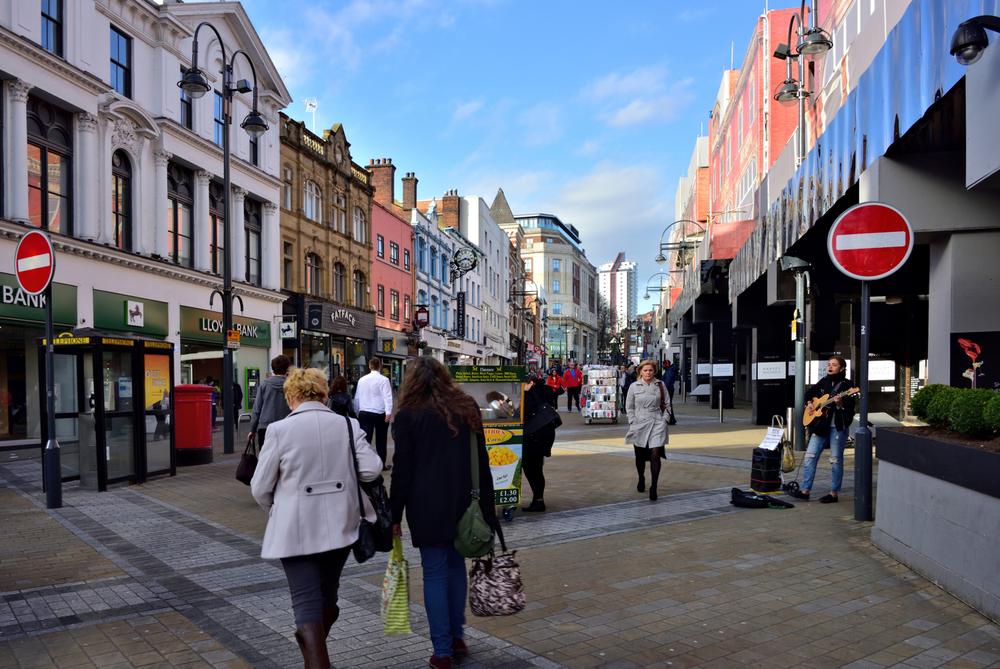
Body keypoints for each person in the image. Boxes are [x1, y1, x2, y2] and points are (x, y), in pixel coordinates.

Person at [250, 367, 383, 669]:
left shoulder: (279, 430)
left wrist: (277, 509)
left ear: (291, 396)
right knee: (327, 598)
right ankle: (317, 653)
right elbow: (372, 469)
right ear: (323, 394)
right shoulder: (348, 425)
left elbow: (259, 488)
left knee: (306, 603)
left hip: (294, 528)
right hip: (341, 525)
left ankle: (316, 658)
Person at [389, 357, 497, 669]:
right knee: (455, 567)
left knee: (435, 572)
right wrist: (488, 507)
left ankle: (442, 651)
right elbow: (482, 459)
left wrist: (394, 515)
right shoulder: (466, 407)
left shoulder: (408, 414)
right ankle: (457, 636)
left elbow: (402, 471)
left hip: (426, 505)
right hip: (465, 501)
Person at [788, 356, 856, 504]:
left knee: (835, 459)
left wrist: (839, 403)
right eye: (829, 364)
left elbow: (850, 408)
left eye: (834, 365)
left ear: (842, 368)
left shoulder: (848, 385)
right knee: (810, 456)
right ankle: (805, 491)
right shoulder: (824, 381)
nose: (830, 367)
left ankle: (833, 493)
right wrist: (810, 404)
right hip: (821, 426)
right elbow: (808, 393)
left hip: (837, 427)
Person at [625, 359, 670, 501]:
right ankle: (641, 477)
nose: (648, 373)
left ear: (654, 371)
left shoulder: (660, 385)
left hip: (657, 422)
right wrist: (632, 421)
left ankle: (654, 487)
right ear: (640, 372)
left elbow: (667, 404)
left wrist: (665, 420)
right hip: (639, 423)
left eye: (650, 370)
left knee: (655, 454)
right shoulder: (634, 386)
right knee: (640, 456)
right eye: (645, 370)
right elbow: (629, 407)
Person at [521, 373, 558, 513]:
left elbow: (523, 412)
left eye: (523, 384)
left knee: (531, 469)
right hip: (543, 436)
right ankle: (538, 499)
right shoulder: (543, 390)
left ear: (531, 383)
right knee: (536, 469)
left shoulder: (531, 395)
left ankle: (538, 501)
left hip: (534, 436)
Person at [355, 357, 393, 470]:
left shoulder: (362, 380)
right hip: (380, 413)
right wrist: (388, 412)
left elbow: (357, 398)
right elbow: (388, 397)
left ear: (369, 366)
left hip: (365, 413)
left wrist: (357, 411)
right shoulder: (384, 380)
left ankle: (365, 465)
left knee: (365, 441)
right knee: (381, 440)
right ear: (380, 366)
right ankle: (381, 465)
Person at [249, 355, 292, 450]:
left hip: (265, 427)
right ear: (287, 368)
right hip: (287, 427)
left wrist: (252, 429)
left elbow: (257, 409)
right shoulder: (292, 385)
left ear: (273, 369)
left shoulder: (264, 385)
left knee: (265, 459)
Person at [662, 360, 678, 425]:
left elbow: (667, 381)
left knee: (668, 404)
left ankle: (671, 419)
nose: (663, 366)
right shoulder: (670, 370)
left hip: (668, 389)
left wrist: (664, 389)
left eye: (664, 364)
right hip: (669, 389)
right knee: (668, 404)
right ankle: (671, 419)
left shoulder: (669, 371)